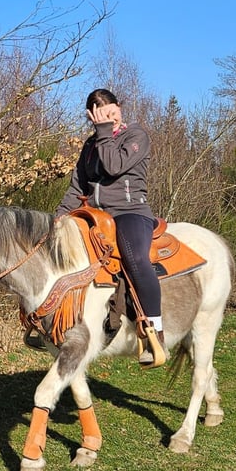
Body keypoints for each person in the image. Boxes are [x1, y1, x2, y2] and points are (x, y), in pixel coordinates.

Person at [55, 88, 167, 364]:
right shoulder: (90, 146)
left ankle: (154, 333)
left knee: (136, 258)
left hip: (130, 213)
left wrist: (103, 132)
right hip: (95, 214)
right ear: (92, 117)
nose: (109, 120)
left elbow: (114, 165)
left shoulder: (136, 135)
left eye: (112, 113)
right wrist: (59, 217)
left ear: (119, 108)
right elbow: (77, 187)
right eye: (102, 116)